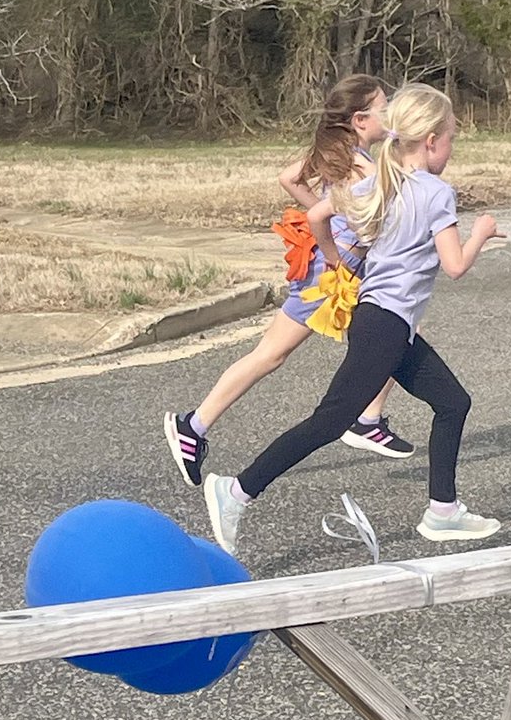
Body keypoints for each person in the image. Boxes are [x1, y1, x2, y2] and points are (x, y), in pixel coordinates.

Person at [203, 82, 504, 552]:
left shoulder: (377, 180)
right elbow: (456, 266)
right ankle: (236, 491)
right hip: (385, 325)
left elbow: (319, 215)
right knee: (330, 421)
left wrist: (337, 259)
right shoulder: (436, 192)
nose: (450, 149)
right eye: (450, 140)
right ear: (431, 141)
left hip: (383, 322)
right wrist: (482, 232)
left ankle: (443, 511)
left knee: (452, 402)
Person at [164, 74, 415, 488]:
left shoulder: (342, 152)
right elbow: (371, 218)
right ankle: (195, 426)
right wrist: (334, 248)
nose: (390, 112)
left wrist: (329, 221)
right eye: (383, 106)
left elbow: (289, 178)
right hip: (334, 276)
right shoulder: (361, 164)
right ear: (359, 119)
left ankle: (195, 426)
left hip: (336, 268)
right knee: (285, 351)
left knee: (387, 334)